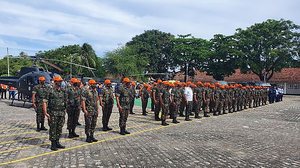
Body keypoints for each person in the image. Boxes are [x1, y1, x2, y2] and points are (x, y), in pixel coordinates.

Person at [43, 76, 67, 151]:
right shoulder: (49, 90)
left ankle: (57, 142)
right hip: (53, 113)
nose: (60, 83)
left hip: (61, 113)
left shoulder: (63, 91)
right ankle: (53, 144)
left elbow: (65, 101)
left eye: (60, 81)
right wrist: (45, 112)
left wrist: (65, 110)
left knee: (59, 128)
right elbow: (44, 101)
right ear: (55, 82)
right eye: (58, 81)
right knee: (53, 128)